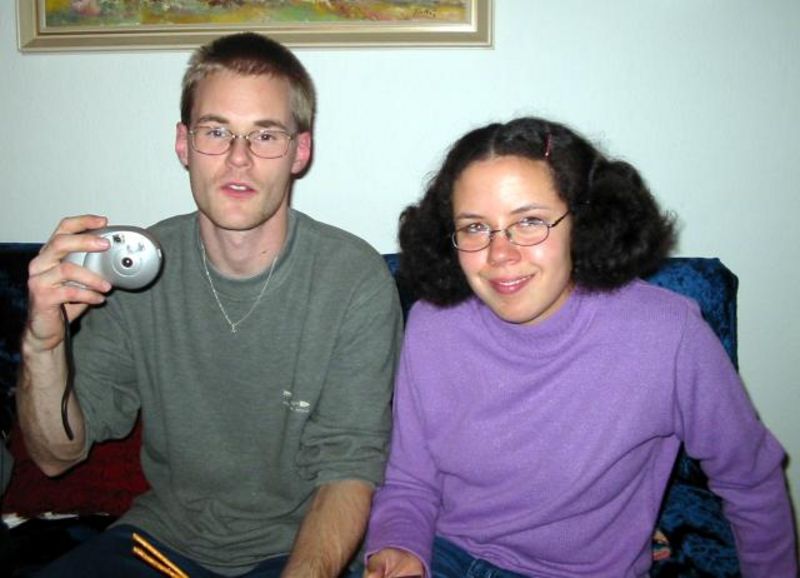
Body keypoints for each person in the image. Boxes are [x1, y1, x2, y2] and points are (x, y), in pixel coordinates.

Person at [17, 32, 402, 577]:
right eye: (216, 132)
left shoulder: (353, 279)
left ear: (300, 150)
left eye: (265, 135)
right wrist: (42, 345)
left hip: (296, 551)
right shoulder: (137, 272)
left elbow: (348, 470)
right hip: (161, 542)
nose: (238, 159)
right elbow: (56, 456)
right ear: (183, 144)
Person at [363, 117, 797, 577]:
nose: (500, 254)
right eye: (474, 227)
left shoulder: (667, 334)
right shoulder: (433, 325)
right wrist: (398, 549)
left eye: (529, 221)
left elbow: (751, 481)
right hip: (446, 554)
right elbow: (409, 481)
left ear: (584, 220)